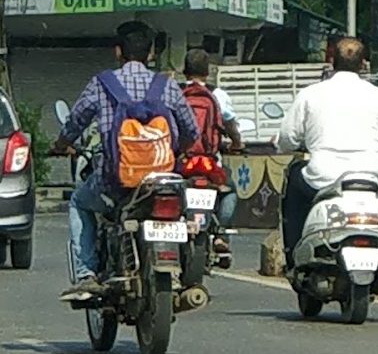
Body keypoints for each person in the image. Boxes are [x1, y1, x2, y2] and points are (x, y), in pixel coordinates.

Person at [52, 21, 199, 301]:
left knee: (79, 202)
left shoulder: (102, 84)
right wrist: (176, 151)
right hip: (160, 182)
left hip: (115, 181)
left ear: (118, 51)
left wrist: (61, 144)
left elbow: (75, 121)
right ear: (151, 54)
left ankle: (86, 274)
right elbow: (191, 132)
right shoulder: (167, 85)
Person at [277, 36, 378, 269]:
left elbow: (287, 139)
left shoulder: (311, 94)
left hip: (321, 179)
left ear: (332, 61)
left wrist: (292, 145)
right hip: (370, 179)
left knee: (294, 180)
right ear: (363, 64)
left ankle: (294, 255)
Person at [181, 48, 242, 245]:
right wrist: (237, 143)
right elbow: (230, 125)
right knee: (229, 190)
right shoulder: (217, 95)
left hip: (182, 163)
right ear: (207, 72)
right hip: (209, 164)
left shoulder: (175, 93)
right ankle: (221, 235)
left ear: (184, 71)